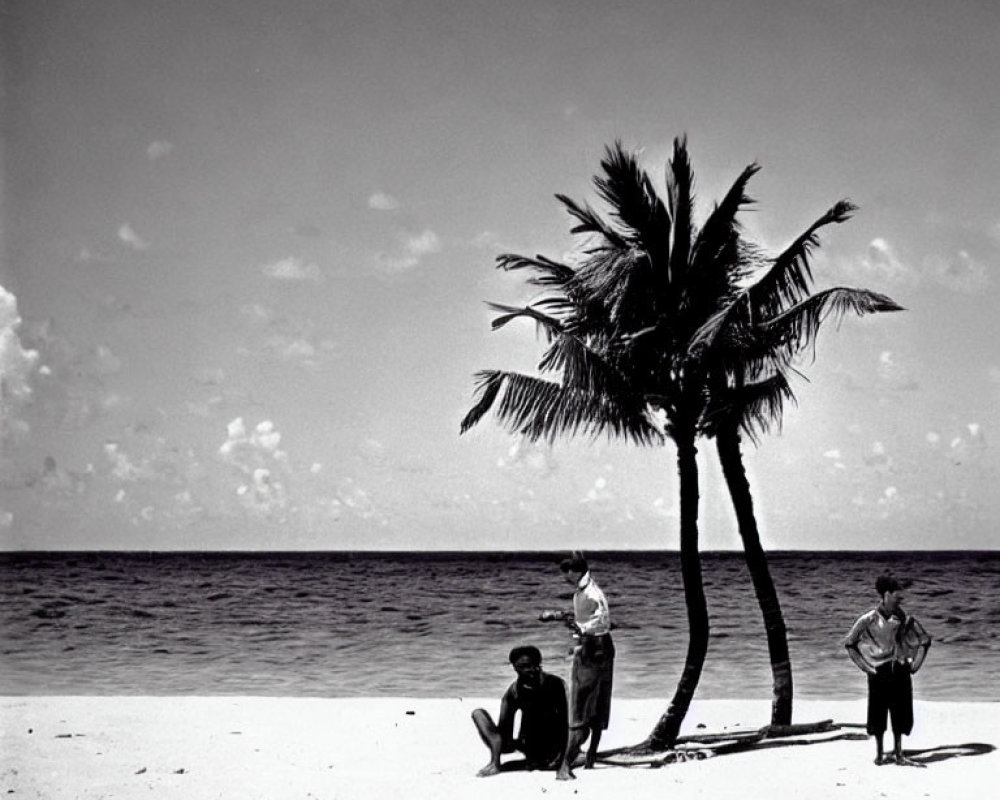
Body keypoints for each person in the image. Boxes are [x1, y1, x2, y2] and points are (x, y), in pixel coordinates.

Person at [844, 573, 932, 766]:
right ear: (885, 594)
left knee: (901, 713)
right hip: (879, 672)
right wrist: (866, 667)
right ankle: (879, 754)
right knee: (877, 714)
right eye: (895, 592)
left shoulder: (906, 620)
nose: (900, 595)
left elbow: (926, 639)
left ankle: (899, 754)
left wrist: (915, 666)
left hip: (900, 670)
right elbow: (850, 644)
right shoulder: (868, 619)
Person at [556, 552, 615, 781]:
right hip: (596, 646)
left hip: (595, 649)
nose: (564, 578)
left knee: (583, 707)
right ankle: (588, 757)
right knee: (595, 704)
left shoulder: (591, 593)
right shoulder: (584, 591)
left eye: (566, 573)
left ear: (574, 572)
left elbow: (602, 621)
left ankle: (566, 766)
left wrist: (580, 631)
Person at [471, 645, 568, 777]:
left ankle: (499, 764)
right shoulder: (515, 690)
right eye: (520, 667)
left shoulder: (555, 684)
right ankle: (495, 763)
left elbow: (568, 721)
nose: (526, 670)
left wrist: (564, 762)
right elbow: (505, 728)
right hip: (529, 746)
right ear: (514, 667)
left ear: (537, 664)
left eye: (529, 665)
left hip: (553, 747)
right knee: (478, 714)